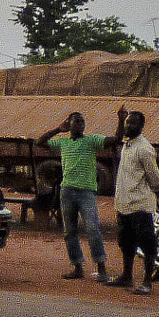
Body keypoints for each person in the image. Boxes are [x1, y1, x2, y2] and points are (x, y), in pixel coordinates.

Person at [37, 112, 111, 283]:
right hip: (67, 191)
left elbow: (113, 140)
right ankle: (77, 266)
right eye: (76, 122)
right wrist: (58, 129)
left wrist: (121, 122)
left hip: (86, 192)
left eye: (82, 121)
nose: (80, 124)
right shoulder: (63, 142)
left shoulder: (91, 141)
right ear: (69, 125)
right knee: (69, 231)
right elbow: (39, 142)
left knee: (92, 229)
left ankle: (101, 267)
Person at [111, 108, 159, 294]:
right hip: (125, 203)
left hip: (140, 204)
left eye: (132, 123)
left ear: (141, 126)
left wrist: (152, 191)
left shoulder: (144, 149)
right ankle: (127, 276)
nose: (128, 125)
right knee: (126, 242)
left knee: (147, 243)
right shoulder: (128, 145)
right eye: (127, 122)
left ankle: (147, 282)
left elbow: (156, 179)